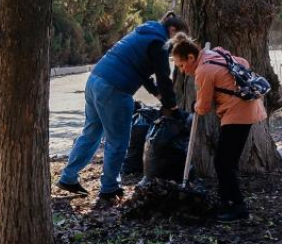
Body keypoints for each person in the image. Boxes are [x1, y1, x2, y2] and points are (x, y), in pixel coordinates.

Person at [57, 12, 188, 205]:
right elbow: (164, 77)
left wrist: (157, 94)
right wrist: (172, 107)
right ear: (173, 30)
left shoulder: (144, 32)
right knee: (118, 141)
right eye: (178, 40)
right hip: (114, 89)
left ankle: (68, 177)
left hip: (95, 80)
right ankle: (109, 189)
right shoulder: (160, 43)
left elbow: (141, 70)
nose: (175, 47)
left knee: (91, 133)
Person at [170, 34, 267, 221]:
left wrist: (195, 107)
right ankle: (226, 201)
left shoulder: (203, 71)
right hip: (246, 109)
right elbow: (243, 62)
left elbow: (204, 107)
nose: (182, 71)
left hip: (238, 114)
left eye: (182, 65)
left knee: (223, 163)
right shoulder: (214, 54)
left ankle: (238, 207)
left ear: (191, 58)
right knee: (225, 162)